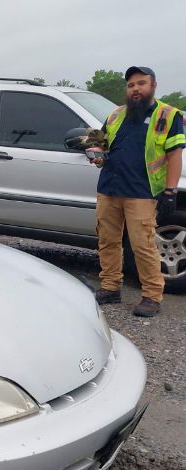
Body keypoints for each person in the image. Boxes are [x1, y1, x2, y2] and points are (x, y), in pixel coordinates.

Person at [92, 66, 184, 317]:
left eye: (141, 83)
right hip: (109, 187)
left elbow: (175, 155)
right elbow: (98, 141)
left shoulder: (168, 115)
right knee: (107, 241)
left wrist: (170, 191)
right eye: (131, 85)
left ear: (153, 85)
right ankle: (110, 287)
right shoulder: (116, 115)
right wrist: (95, 152)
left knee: (142, 245)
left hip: (141, 192)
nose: (135, 89)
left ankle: (152, 296)